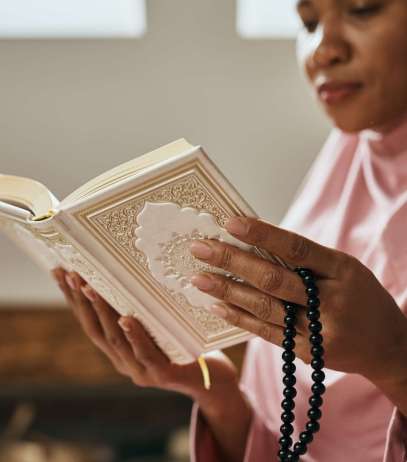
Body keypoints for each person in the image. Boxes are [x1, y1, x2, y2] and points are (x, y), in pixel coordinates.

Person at [52, 0, 407, 460]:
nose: (322, 51)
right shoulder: (345, 165)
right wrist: (217, 393)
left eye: (362, 9)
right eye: (309, 23)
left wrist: (395, 360)